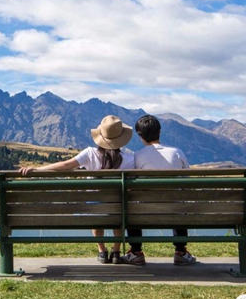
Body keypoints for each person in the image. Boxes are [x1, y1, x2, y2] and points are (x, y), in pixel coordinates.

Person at [19, 115, 134, 264]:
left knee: (95, 206)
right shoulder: (130, 158)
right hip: (118, 208)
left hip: (94, 209)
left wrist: (38, 169)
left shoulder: (90, 153)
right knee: (118, 209)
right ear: (121, 137)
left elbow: (65, 165)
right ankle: (117, 252)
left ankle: (102, 251)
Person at [124, 114, 197, 266]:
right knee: (179, 203)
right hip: (175, 209)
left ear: (140, 136)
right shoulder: (177, 152)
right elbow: (187, 179)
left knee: (132, 207)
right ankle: (181, 252)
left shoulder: (137, 156)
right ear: (160, 131)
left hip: (145, 209)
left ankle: (136, 252)